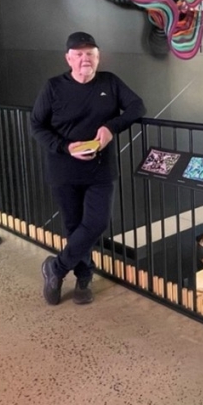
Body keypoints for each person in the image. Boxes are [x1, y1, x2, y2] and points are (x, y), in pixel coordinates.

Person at [31, 31, 145, 305]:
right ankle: (84, 279)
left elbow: (137, 107)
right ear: (69, 58)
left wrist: (110, 127)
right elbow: (37, 125)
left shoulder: (110, 82)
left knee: (96, 223)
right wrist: (65, 147)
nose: (85, 59)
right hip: (63, 169)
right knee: (74, 226)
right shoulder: (53, 86)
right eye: (79, 54)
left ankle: (55, 268)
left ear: (98, 57)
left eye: (90, 54)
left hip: (100, 170)